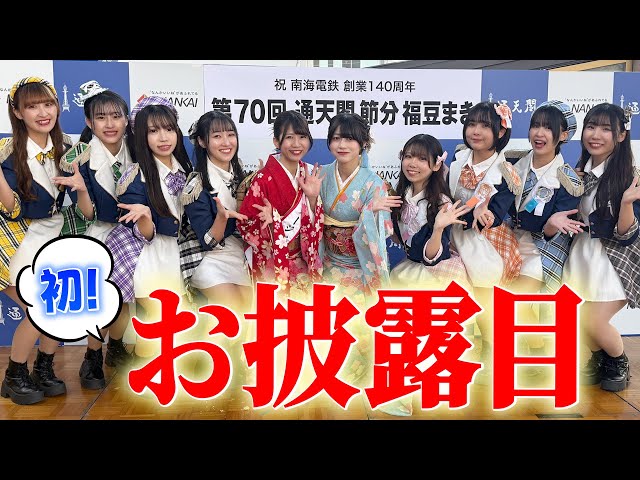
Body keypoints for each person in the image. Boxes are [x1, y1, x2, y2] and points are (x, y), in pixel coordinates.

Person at [0, 77, 93, 404]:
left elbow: (85, 210)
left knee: (62, 307)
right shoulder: (7, 153)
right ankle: (14, 376)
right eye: (32, 106)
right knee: (42, 309)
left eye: (48, 104)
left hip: (56, 235)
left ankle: (43, 369)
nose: (43, 113)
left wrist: (82, 187)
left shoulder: (69, 148)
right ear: (17, 112)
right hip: (16, 239)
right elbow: (13, 210)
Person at [53, 83, 136, 390]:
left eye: (116, 116)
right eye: (101, 117)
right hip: (99, 231)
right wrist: (82, 189)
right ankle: (92, 356)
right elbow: (87, 214)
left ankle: (116, 347)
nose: (110, 124)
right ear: (89, 122)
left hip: (135, 231)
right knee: (103, 298)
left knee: (125, 300)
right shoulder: (78, 157)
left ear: (126, 119)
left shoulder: (138, 149)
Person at [318, 112, 401, 414]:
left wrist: (371, 211)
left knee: (357, 318)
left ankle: (361, 377)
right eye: (336, 138)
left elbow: (383, 230)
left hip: (358, 267)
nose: (342, 145)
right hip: (325, 261)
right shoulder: (321, 174)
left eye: (350, 139)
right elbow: (310, 214)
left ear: (363, 143)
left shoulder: (374, 183)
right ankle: (328, 374)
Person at [105, 96, 192, 362]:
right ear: (142, 136)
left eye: (169, 129)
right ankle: (143, 370)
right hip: (146, 256)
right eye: (153, 131)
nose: (163, 137)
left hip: (178, 255)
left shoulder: (188, 171)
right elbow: (141, 234)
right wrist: (144, 217)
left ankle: (151, 368)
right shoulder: (135, 175)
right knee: (155, 319)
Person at [504, 100, 584, 383]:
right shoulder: (512, 162)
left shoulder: (569, 179)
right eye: (535, 126)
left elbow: (559, 227)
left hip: (546, 244)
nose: (539, 133)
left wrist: (550, 226)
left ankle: (538, 356)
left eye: (548, 128)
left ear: (563, 135)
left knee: (519, 297)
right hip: (509, 237)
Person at [563, 102, 640, 392]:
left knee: (593, 320)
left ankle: (619, 361)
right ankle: (600, 359)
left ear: (621, 135)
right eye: (591, 127)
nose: (595, 135)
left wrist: (627, 202)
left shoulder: (629, 177)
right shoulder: (578, 172)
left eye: (606, 129)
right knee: (574, 316)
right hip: (581, 255)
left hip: (612, 259)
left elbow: (626, 234)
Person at [447, 101, 523, 385]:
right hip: (453, 237)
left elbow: (497, 214)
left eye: (484, 126)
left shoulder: (505, 171)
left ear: (500, 132)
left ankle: (496, 355)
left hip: (485, 243)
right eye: (471, 124)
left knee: (484, 301)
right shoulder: (456, 160)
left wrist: (482, 213)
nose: (476, 131)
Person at [237, 110, 324, 300]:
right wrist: (269, 222)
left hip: (302, 260)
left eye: (302, 137)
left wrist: (312, 199)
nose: (296, 144)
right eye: (289, 137)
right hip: (273, 263)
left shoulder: (308, 173)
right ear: (276, 142)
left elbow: (315, 224)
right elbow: (246, 224)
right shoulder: (263, 178)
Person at [390, 133, 471, 291]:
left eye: (422, 159)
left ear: (436, 165)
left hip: (436, 275)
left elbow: (432, 258)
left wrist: (438, 228)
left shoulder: (442, 204)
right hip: (409, 268)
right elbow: (398, 237)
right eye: (408, 156)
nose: (412, 163)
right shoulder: (401, 196)